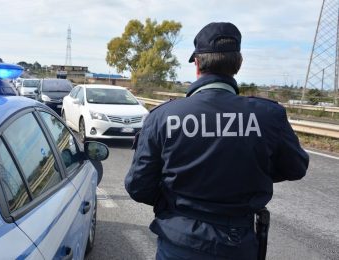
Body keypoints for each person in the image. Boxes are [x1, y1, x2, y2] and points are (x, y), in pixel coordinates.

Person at [125, 22, 309, 260]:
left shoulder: (163, 117)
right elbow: (295, 168)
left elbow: (139, 186)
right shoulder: (268, 115)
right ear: (238, 64)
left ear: (198, 63)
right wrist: (249, 170)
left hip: (179, 241)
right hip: (238, 243)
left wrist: (175, 203)